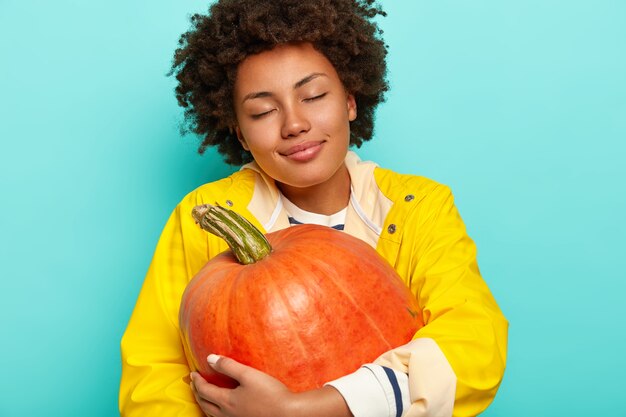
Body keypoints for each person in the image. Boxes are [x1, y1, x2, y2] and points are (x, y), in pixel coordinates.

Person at [119, 0, 508, 416]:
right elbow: (153, 377)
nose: (294, 124)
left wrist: (307, 409)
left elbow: (473, 345)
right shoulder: (204, 216)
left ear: (350, 101)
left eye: (314, 95)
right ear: (241, 134)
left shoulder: (418, 208)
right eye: (263, 111)